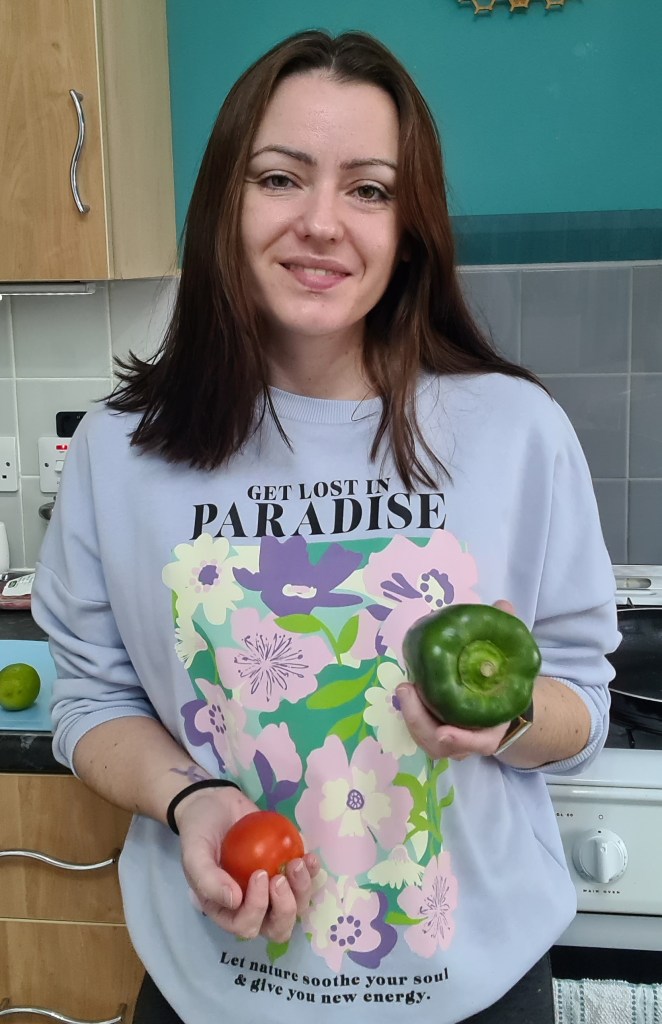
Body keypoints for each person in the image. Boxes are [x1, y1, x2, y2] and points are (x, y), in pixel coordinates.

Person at [32, 28, 620, 1024]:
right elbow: (89, 702)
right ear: (227, 197)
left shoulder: (515, 432)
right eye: (279, 177)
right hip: (214, 989)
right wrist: (189, 798)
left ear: (408, 225)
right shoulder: (119, 450)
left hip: (469, 993)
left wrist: (506, 718)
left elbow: (582, 703)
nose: (320, 224)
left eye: (368, 189)